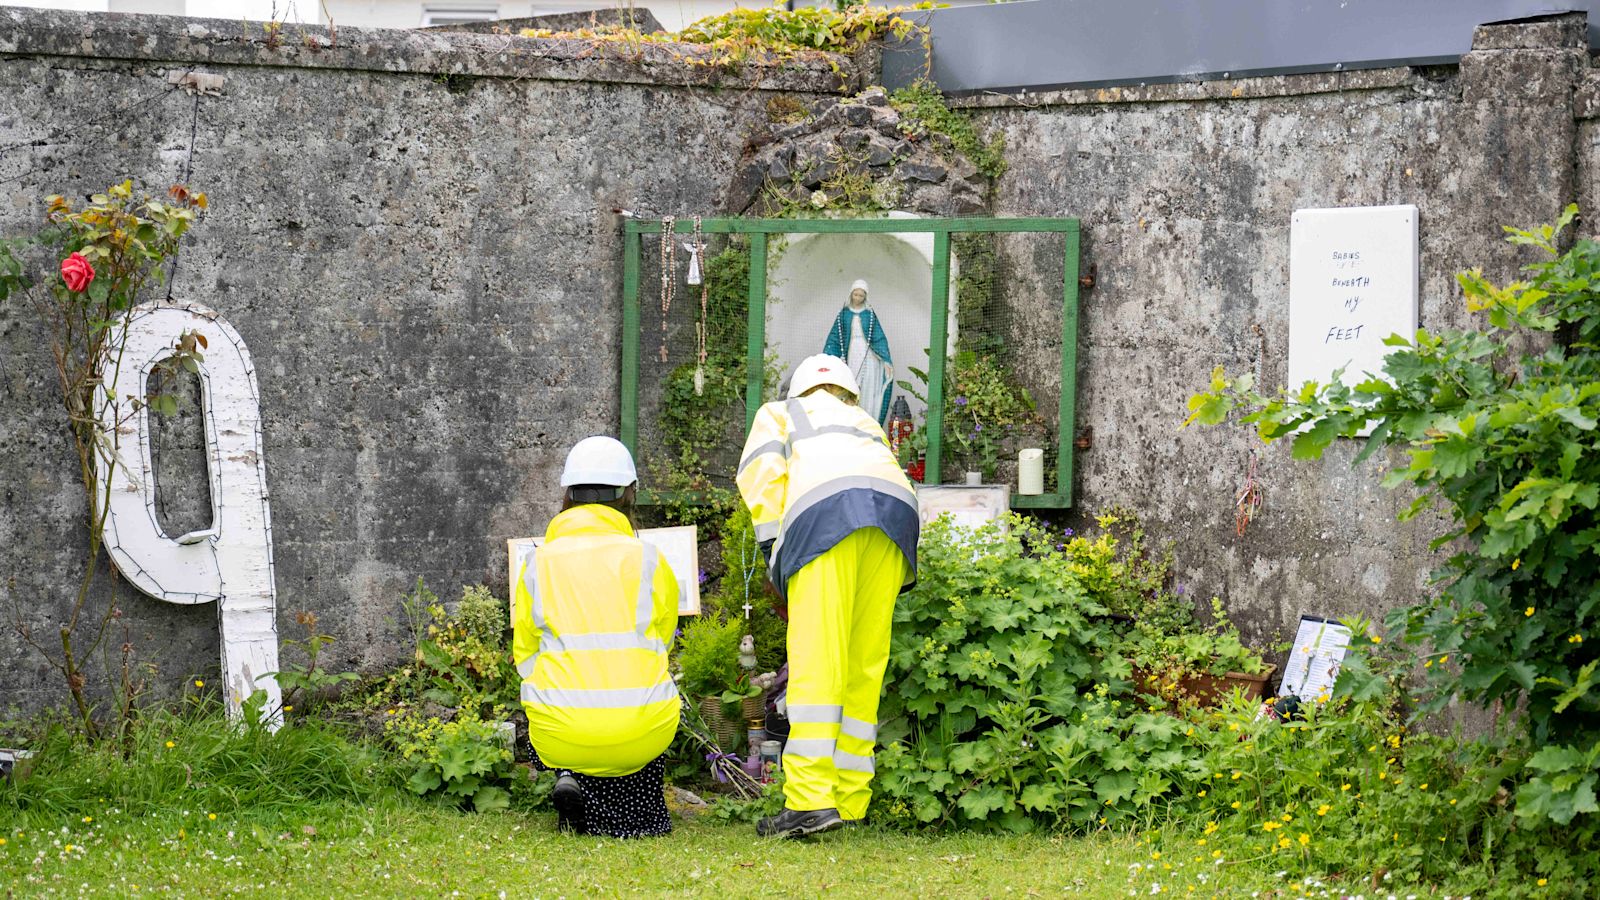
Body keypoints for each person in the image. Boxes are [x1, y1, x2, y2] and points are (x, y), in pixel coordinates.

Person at [736, 354, 920, 838]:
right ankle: (850, 798)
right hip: (895, 522)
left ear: (797, 389)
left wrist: (776, 555)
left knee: (818, 661)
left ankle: (809, 802)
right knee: (864, 662)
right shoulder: (863, 420)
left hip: (825, 518)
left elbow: (761, 477)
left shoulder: (781, 413)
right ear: (848, 391)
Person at [511, 436, 680, 838]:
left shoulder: (537, 563)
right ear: (628, 495)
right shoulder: (650, 559)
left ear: (568, 495)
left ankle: (570, 778)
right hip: (641, 733)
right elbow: (664, 642)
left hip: (561, 733)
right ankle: (636, 816)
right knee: (643, 710)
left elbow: (526, 656)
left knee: (557, 701)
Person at [823, 279, 894, 426]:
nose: (857, 298)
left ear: (865, 296)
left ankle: (868, 418)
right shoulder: (844, 314)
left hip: (869, 354)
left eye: (861, 295)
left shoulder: (869, 314)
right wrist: (828, 358)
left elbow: (879, 337)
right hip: (851, 353)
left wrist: (886, 360)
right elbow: (835, 337)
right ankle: (851, 421)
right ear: (851, 294)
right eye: (855, 294)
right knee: (852, 383)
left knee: (868, 385)